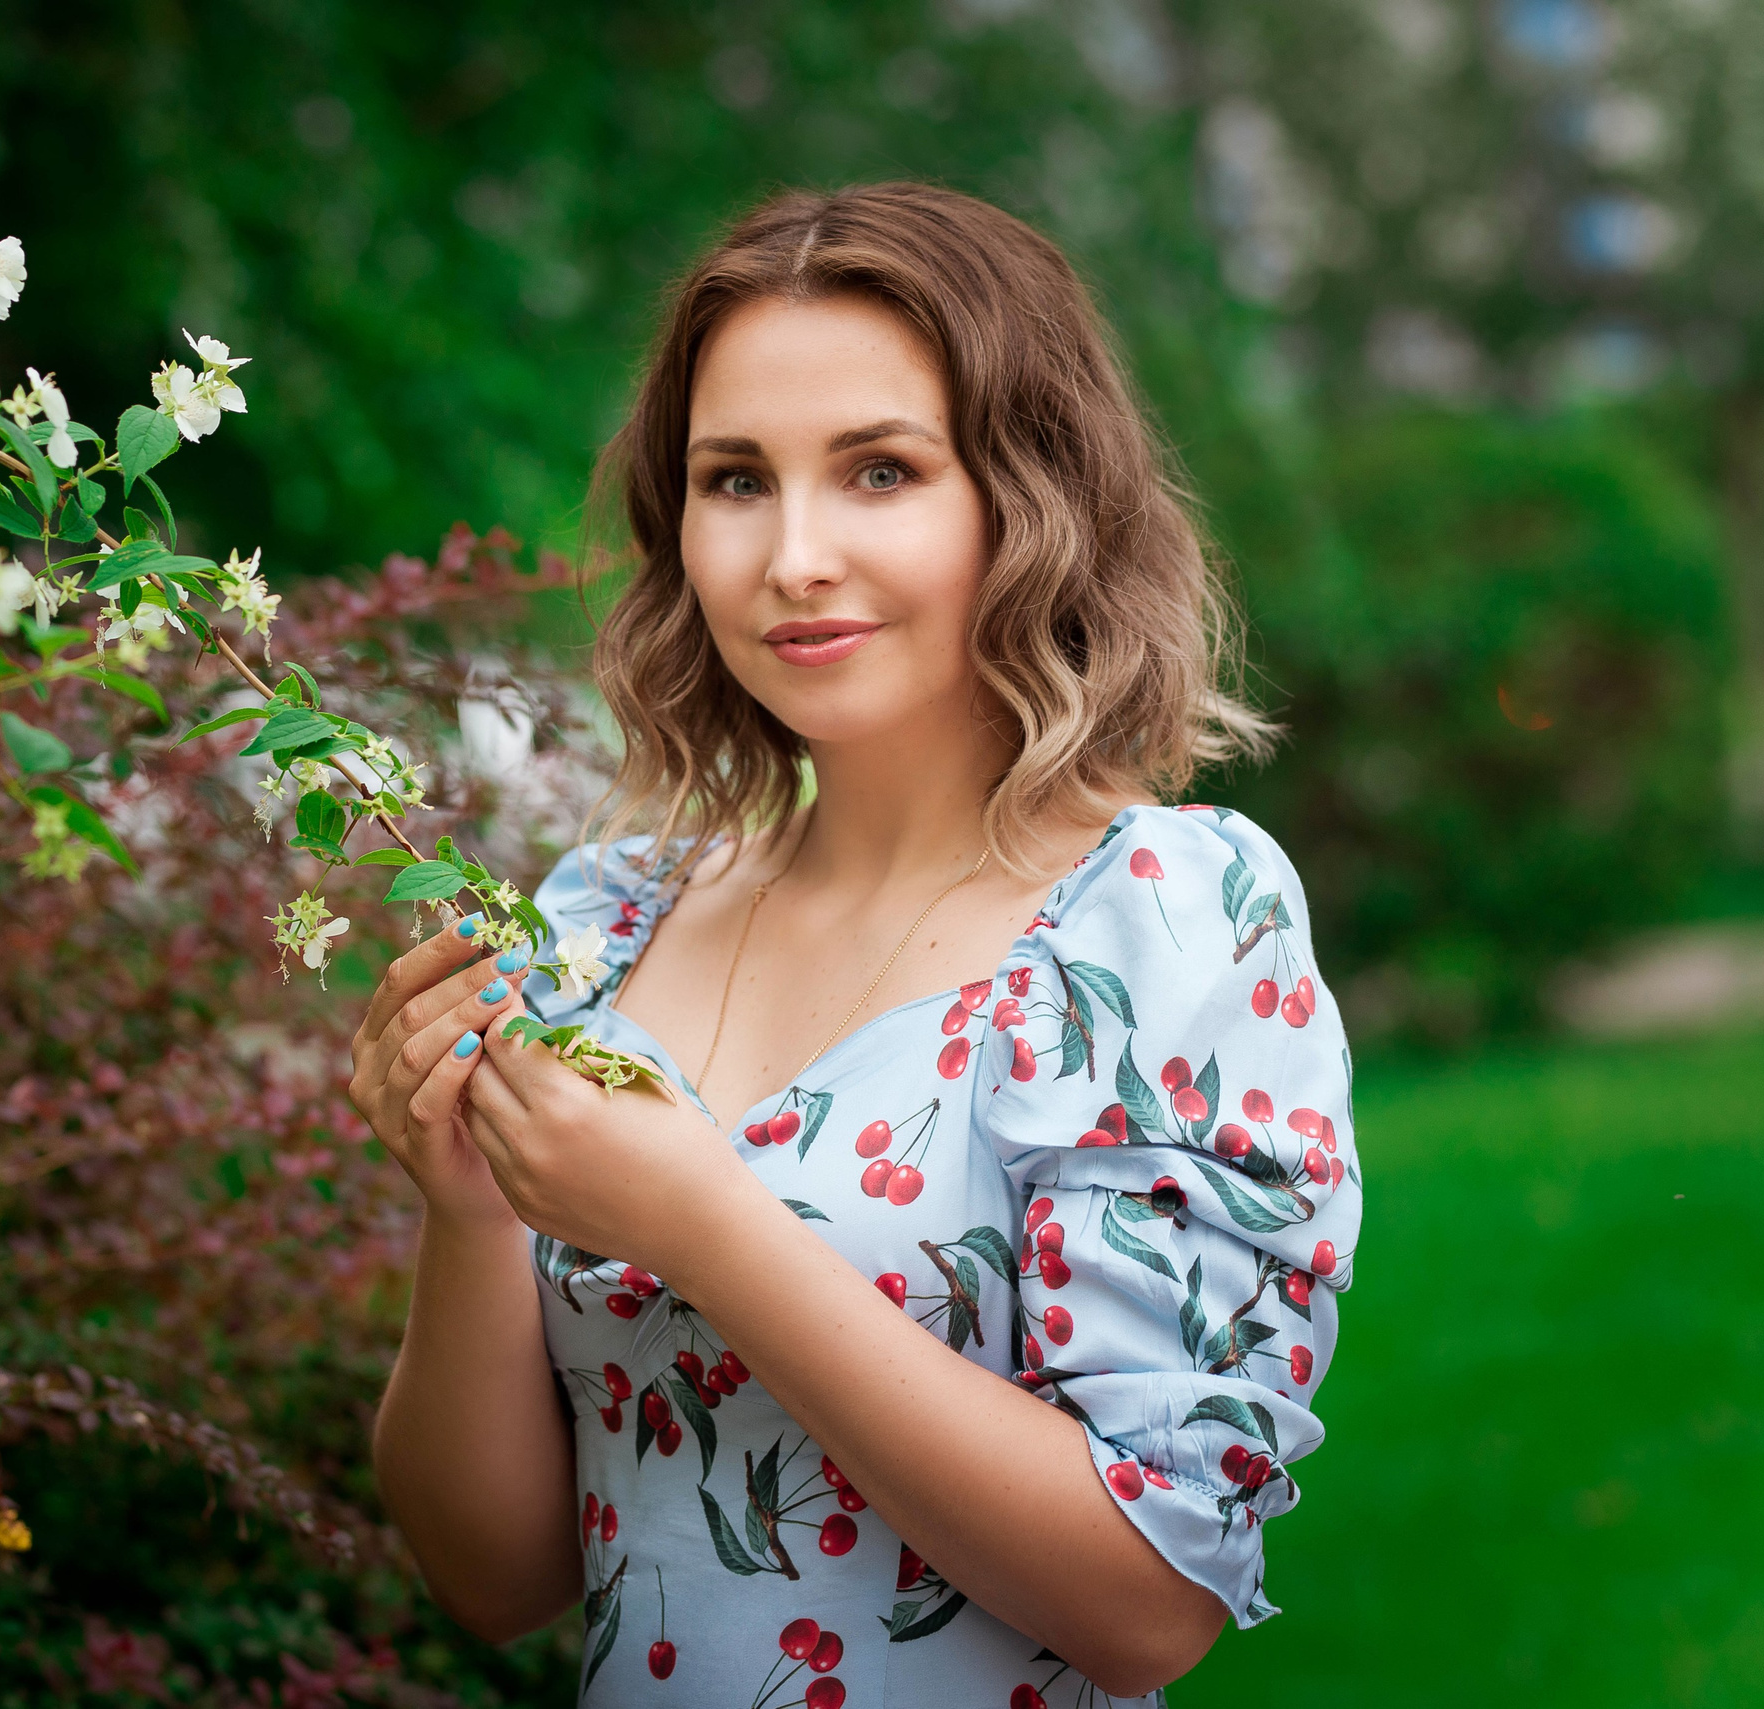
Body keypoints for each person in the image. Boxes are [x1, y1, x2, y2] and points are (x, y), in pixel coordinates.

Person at [348, 182, 1361, 1708]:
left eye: (880, 470)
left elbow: (1152, 1596)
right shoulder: (604, 918)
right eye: (736, 479)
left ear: (1031, 499)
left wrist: (707, 1227)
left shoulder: (1164, 919)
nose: (794, 555)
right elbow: (495, 1579)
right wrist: (470, 1217)